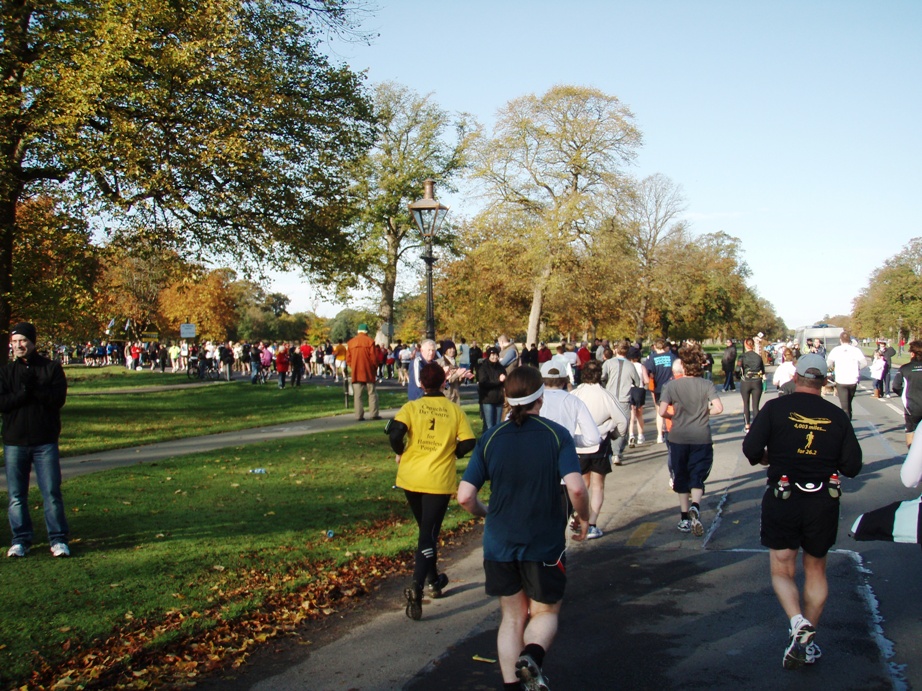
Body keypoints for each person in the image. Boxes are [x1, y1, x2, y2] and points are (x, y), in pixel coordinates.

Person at [457, 365, 590, 690]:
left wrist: (485, 511)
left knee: (512, 617)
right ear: (540, 398)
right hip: (542, 541)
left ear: (507, 397)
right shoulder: (556, 435)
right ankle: (531, 656)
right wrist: (583, 518)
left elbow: (464, 496)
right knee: (544, 612)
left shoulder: (490, 438)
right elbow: (576, 488)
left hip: (500, 543)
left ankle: (513, 685)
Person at [742, 353, 862, 670]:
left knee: (782, 568)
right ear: (825, 381)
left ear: (795, 377)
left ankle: (797, 623)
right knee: (816, 570)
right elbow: (853, 465)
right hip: (823, 498)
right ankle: (808, 641)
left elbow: (751, 449)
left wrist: (769, 457)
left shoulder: (775, 408)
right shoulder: (837, 417)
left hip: (784, 494)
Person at [388, 362, 475, 620]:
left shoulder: (411, 407)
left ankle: (434, 580)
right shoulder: (454, 410)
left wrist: (400, 450)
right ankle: (416, 586)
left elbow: (395, 433)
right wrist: (453, 452)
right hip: (437, 480)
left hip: (411, 477)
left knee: (426, 531)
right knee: (428, 534)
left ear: (422, 384)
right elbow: (469, 441)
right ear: (444, 382)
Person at [1, 322, 70, 558]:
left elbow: (57, 400)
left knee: (51, 492)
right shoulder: (6, 372)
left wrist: (36, 390)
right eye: (15, 341)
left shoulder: (51, 368)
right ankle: (20, 539)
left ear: (32, 342)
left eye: (24, 341)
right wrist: (22, 394)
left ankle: (58, 539)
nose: (19, 345)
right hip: (15, 442)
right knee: (16, 496)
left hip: (44, 441)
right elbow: (3, 403)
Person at [658, 344, 723, 536]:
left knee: (681, 475)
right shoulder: (707, 385)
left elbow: (662, 411)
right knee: (697, 474)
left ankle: (684, 517)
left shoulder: (670, 386)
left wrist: (675, 415)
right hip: (701, 436)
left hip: (678, 436)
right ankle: (696, 504)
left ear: (683, 367)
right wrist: (704, 411)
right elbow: (719, 408)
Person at [572, 360, 627, 538]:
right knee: (598, 486)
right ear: (600, 375)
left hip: (578, 445)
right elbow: (623, 421)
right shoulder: (605, 395)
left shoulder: (575, 394)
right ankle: (593, 524)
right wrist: (615, 434)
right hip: (599, 444)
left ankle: (579, 518)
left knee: (581, 485)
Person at [600, 341, 641, 464]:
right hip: (624, 399)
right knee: (622, 427)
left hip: (609, 398)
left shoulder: (608, 363)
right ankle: (617, 453)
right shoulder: (630, 366)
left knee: (607, 425)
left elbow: (602, 376)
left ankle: (607, 451)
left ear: (616, 350)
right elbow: (638, 382)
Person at [825, 331, 867, 421]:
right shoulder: (856, 350)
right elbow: (864, 363)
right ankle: (848, 422)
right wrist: (857, 368)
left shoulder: (836, 350)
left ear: (840, 340)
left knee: (845, 407)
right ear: (850, 340)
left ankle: (847, 427)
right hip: (853, 380)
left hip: (841, 380)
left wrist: (831, 369)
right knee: (849, 404)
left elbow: (828, 363)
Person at [642, 338, 678, 444]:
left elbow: (648, 371)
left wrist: (648, 380)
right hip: (672, 386)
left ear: (655, 347)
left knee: (659, 411)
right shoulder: (672, 357)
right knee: (673, 409)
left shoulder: (652, 358)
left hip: (659, 388)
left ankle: (659, 435)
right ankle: (673, 430)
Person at [346, 323, 380, 421]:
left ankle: (358, 415)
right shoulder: (370, 341)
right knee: (372, 393)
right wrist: (374, 368)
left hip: (356, 372)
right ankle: (374, 414)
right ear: (366, 332)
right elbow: (373, 358)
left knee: (358, 395)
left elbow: (348, 359)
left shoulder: (351, 342)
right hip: (368, 371)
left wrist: (353, 366)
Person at [892, 340, 922, 448]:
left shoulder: (905, 368)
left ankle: (912, 456)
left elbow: (896, 386)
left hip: (911, 406)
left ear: (912, 354)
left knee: (910, 431)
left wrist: (903, 394)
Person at [738, 337, 765, 432]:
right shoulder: (758, 357)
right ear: (753, 345)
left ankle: (747, 425)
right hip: (757, 381)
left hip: (746, 381)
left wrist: (739, 375)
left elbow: (738, 369)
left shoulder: (742, 357)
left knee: (746, 404)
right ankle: (757, 425)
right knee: (755, 406)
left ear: (745, 345)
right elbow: (763, 370)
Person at [477, 346, 506, 429]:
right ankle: (486, 441)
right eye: (492, 355)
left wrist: (504, 380)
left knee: (497, 426)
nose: (495, 357)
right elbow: (483, 383)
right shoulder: (483, 367)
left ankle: (495, 441)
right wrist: (498, 381)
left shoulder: (500, 367)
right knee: (489, 426)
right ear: (489, 355)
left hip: (499, 399)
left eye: (496, 355)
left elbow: (504, 378)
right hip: (487, 400)